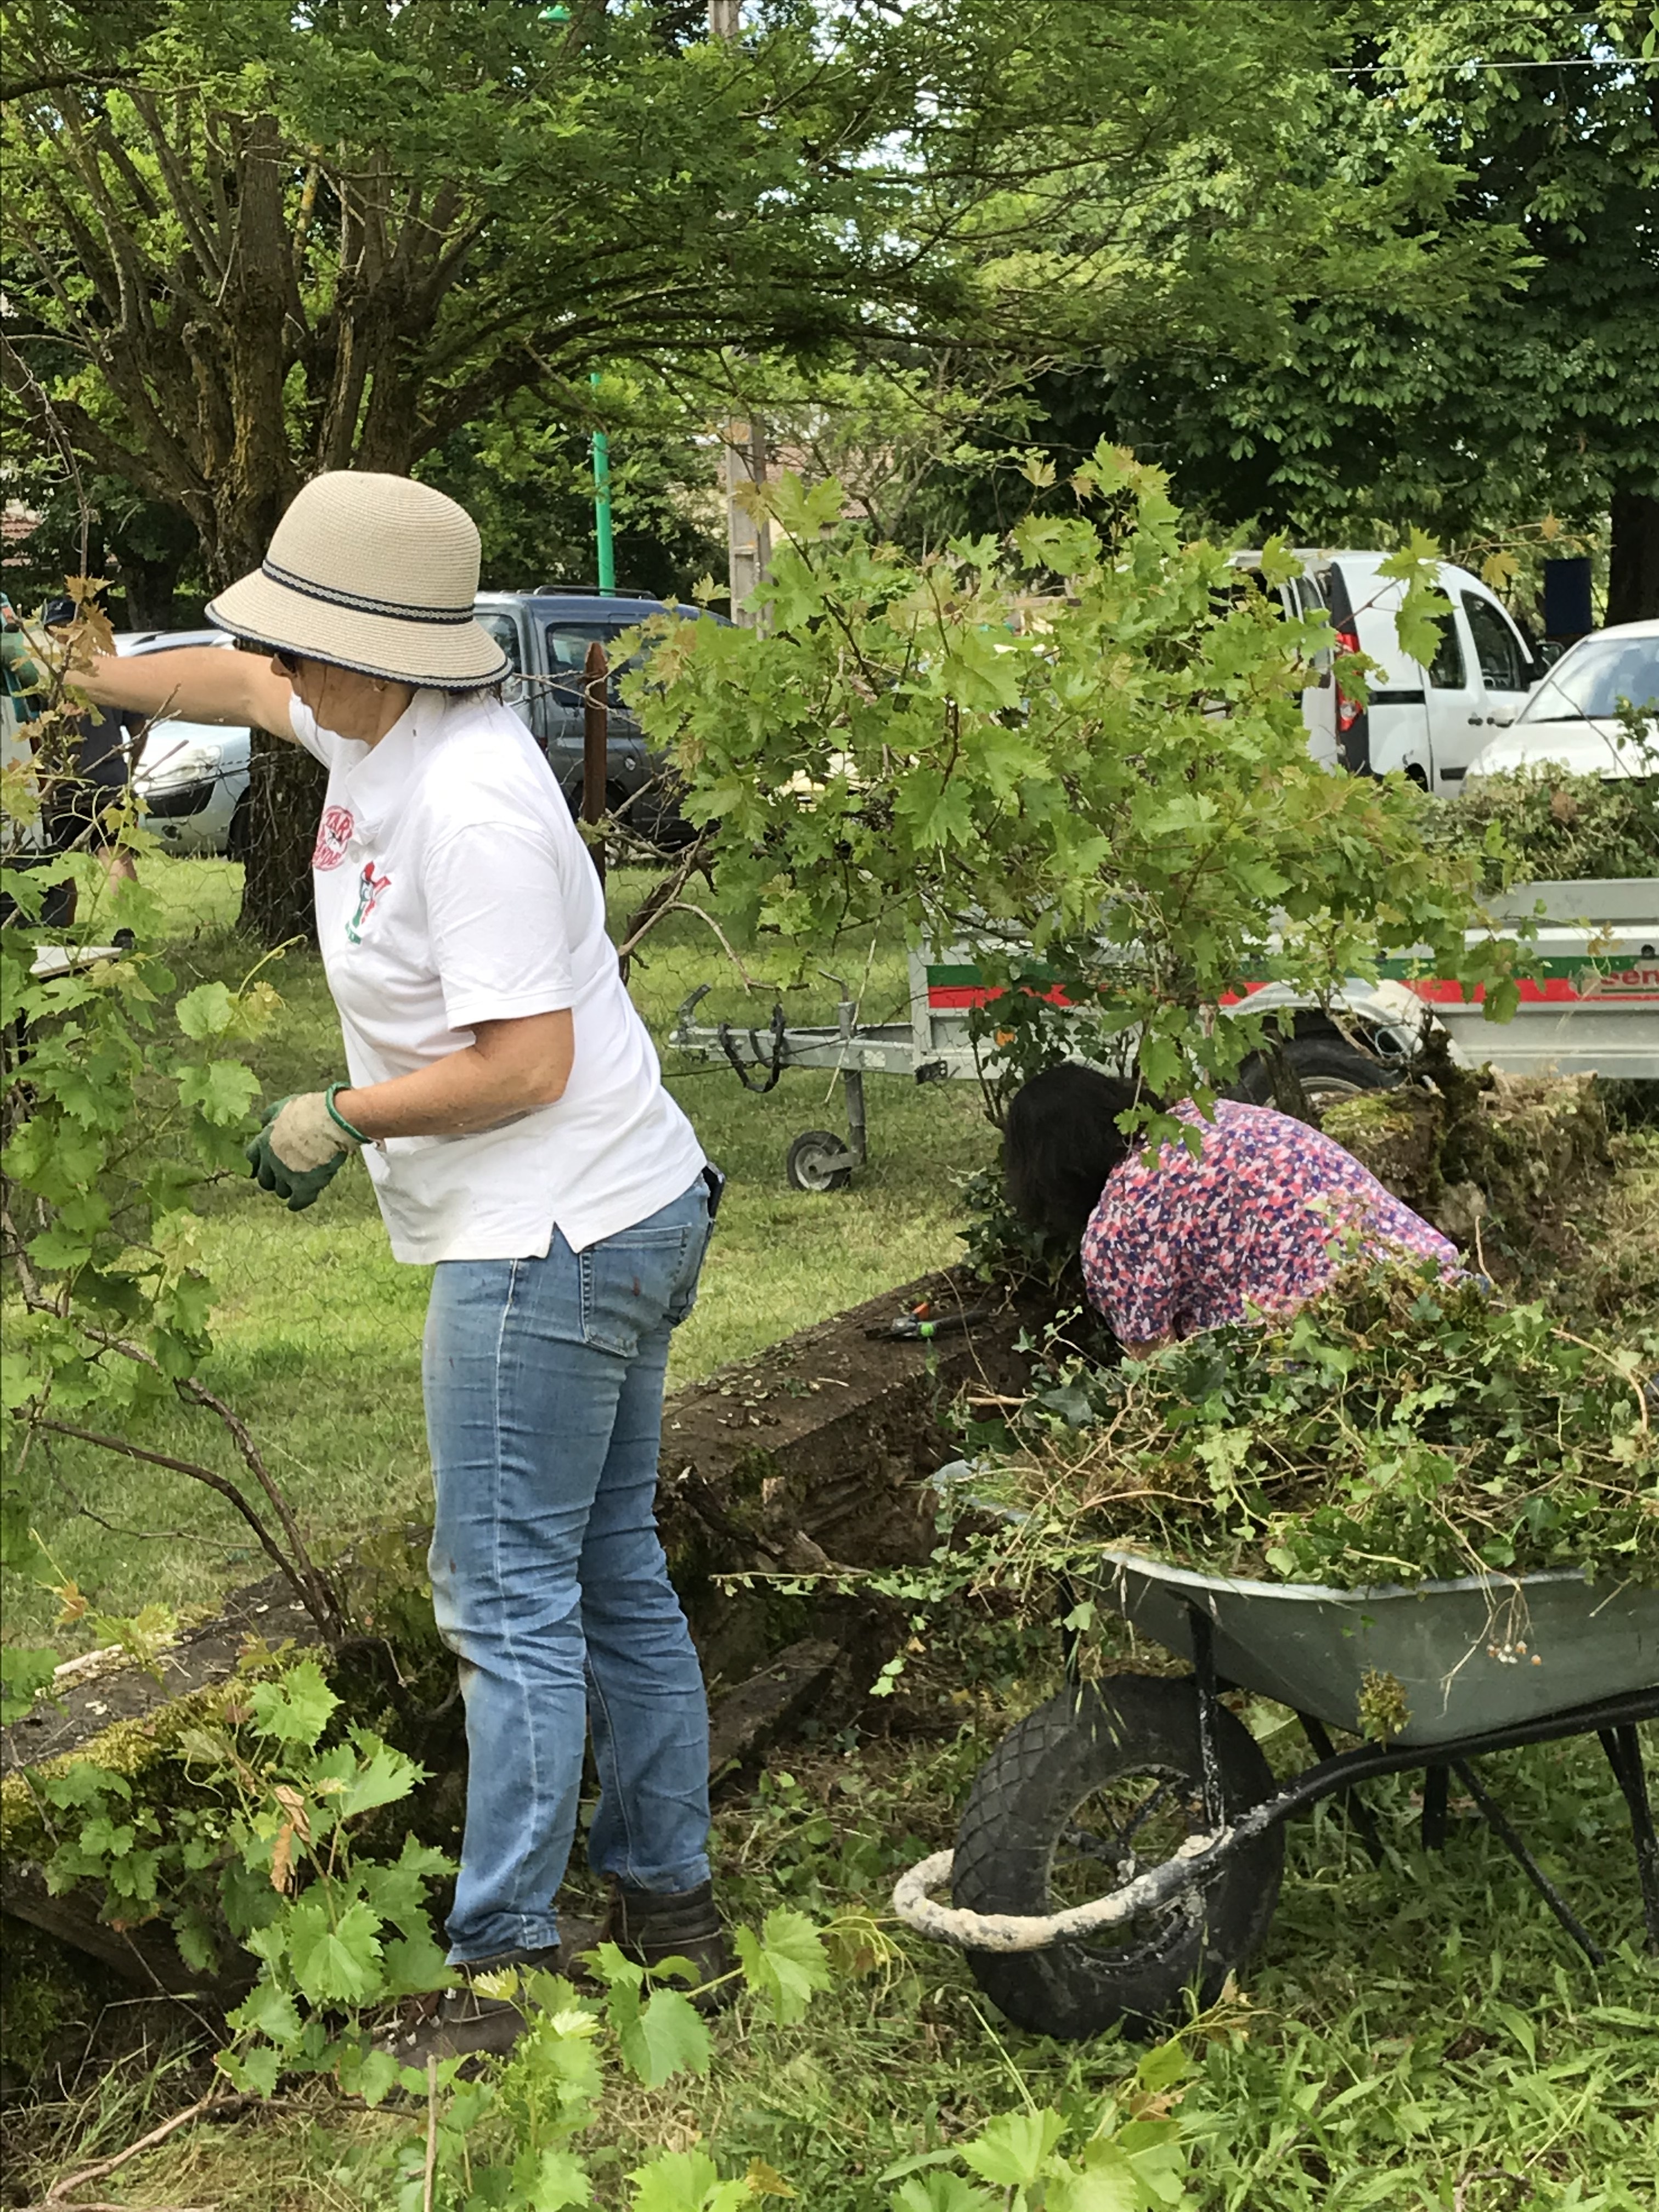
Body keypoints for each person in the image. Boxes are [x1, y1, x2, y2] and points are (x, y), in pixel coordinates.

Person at [80, 471, 724, 2061]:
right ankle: (675, 1902)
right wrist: (89, 673)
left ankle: (505, 1955)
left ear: (383, 653)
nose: (277, 674)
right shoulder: (371, 719)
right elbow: (231, 682)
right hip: (623, 1205)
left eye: (303, 650)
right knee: (605, 1569)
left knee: (509, 1600)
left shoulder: (476, 802)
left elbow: (525, 1061)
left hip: (554, 1238)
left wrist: (335, 1116)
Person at [1003, 1062, 1459, 1356]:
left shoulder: (1117, 1228)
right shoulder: (1205, 1116)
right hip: (1430, 1287)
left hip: (1333, 1350)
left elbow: (1164, 1377)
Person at [39, 596, 143, 932]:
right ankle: (129, 931)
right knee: (115, 856)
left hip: (62, 784)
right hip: (108, 778)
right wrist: (130, 766)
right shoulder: (106, 670)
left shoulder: (42, 676)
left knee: (62, 866)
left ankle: (60, 933)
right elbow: (137, 728)